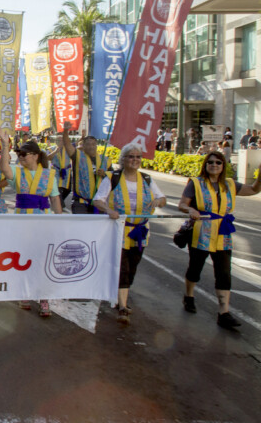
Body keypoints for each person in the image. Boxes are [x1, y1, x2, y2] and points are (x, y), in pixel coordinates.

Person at [177, 152, 261, 329]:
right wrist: (189, 210)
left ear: (223, 166)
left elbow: (254, 189)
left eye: (218, 162)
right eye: (210, 162)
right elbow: (182, 203)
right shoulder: (196, 183)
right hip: (201, 233)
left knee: (224, 274)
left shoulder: (230, 184)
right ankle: (189, 296)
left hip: (223, 235)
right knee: (195, 269)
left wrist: (260, 176)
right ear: (205, 165)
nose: (214, 165)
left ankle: (224, 313)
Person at [93, 144, 167, 324]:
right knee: (122, 266)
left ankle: (121, 294)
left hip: (140, 231)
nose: (135, 160)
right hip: (118, 230)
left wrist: (158, 201)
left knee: (133, 265)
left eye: (138, 157)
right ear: (123, 159)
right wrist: (109, 210)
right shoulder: (113, 178)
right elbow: (97, 200)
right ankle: (123, 306)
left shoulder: (147, 179)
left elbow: (163, 199)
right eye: (131, 156)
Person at [0, 128, 61, 317]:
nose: (20, 157)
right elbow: (4, 168)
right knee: (24, 258)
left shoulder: (49, 175)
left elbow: (55, 199)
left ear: (35, 156)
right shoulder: (18, 172)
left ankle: (44, 298)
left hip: (43, 223)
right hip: (23, 222)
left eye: (23, 154)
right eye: (19, 154)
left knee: (42, 260)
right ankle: (24, 293)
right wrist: (5, 145)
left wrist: (61, 222)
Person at [62, 122, 108, 214]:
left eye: (93, 144)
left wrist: (105, 174)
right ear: (83, 145)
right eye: (88, 144)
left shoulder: (105, 160)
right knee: (81, 227)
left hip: (99, 202)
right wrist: (66, 131)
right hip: (81, 202)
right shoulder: (78, 156)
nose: (91, 146)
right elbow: (67, 145)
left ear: (96, 145)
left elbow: (113, 178)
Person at [48, 142, 72, 211]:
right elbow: (47, 158)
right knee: (57, 189)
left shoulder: (68, 149)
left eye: (62, 140)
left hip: (66, 171)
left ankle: (59, 201)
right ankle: (61, 205)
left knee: (68, 188)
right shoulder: (51, 149)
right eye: (59, 140)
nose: (61, 141)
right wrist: (55, 151)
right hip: (56, 171)